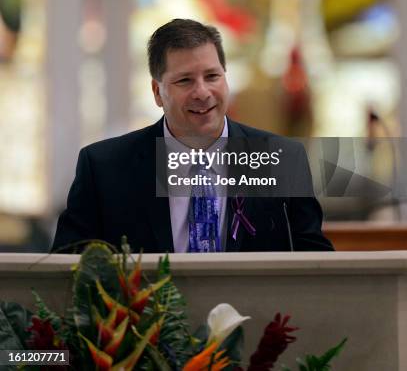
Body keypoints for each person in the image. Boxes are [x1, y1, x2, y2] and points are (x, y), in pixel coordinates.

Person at [52, 19, 333, 253]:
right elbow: (66, 268)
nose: (202, 92)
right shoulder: (103, 167)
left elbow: (315, 262)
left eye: (212, 76)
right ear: (157, 92)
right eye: (185, 80)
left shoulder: (282, 159)